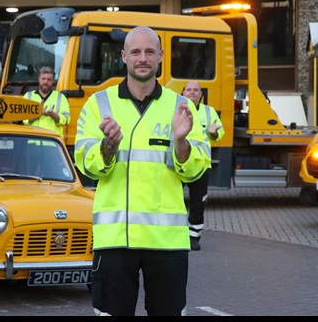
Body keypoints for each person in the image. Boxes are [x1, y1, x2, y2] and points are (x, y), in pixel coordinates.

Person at [74, 26, 211, 316]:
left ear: (161, 56)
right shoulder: (98, 104)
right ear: (123, 56)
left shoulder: (183, 107)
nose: (142, 58)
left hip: (166, 241)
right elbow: (86, 165)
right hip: (114, 240)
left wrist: (181, 141)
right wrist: (108, 146)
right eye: (135, 51)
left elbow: (196, 171)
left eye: (149, 51)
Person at [181, 81, 224, 251]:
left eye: (195, 90)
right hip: (178, 164)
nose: (192, 92)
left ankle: (194, 237)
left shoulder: (209, 111)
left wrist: (214, 132)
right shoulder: (174, 110)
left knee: (198, 203)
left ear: (201, 94)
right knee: (172, 201)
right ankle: (174, 235)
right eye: (189, 90)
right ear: (183, 93)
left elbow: (218, 134)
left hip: (200, 165)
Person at [23, 66, 70, 138]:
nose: (45, 82)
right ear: (39, 79)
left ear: (53, 81)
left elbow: (66, 120)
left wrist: (52, 114)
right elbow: (23, 118)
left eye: (49, 79)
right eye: (43, 79)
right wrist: (38, 113)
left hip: (53, 142)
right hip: (32, 141)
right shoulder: (28, 96)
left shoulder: (61, 97)